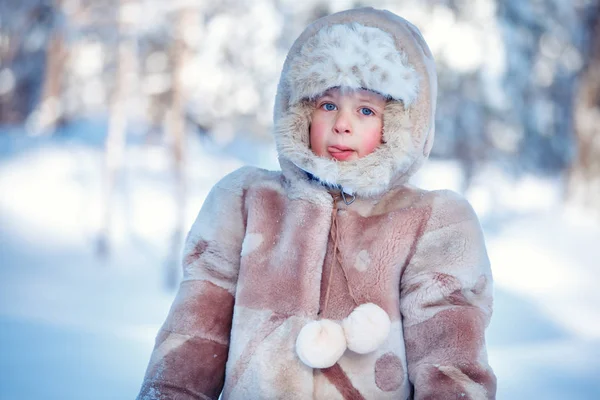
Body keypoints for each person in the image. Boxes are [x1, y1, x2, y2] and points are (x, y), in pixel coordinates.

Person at [138, 7, 496, 400]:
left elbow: (451, 364)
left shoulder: (431, 223)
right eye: (327, 105)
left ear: (398, 121)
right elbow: (191, 339)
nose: (343, 124)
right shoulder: (245, 203)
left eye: (365, 110)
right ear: (301, 111)